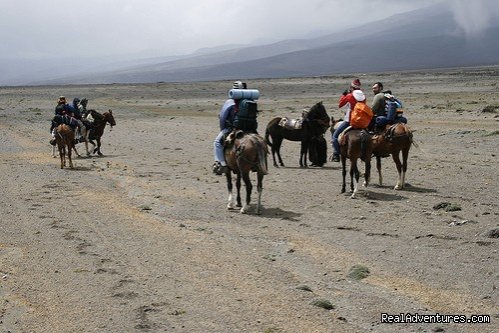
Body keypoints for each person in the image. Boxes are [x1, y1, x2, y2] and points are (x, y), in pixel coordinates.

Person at [212, 80, 246, 175]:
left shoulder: (230, 102)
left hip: (232, 128)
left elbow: (223, 118)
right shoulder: (249, 100)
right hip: (248, 128)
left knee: (217, 143)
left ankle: (222, 165)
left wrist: (223, 129)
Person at [330, 78, 362, 162]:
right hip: (360, 120)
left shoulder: (349, 96)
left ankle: (337, 154)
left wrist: (344, 95)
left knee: (334, 137)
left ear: (352, 87)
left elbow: (340, 104)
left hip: (349, 121)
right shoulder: (363, 96)